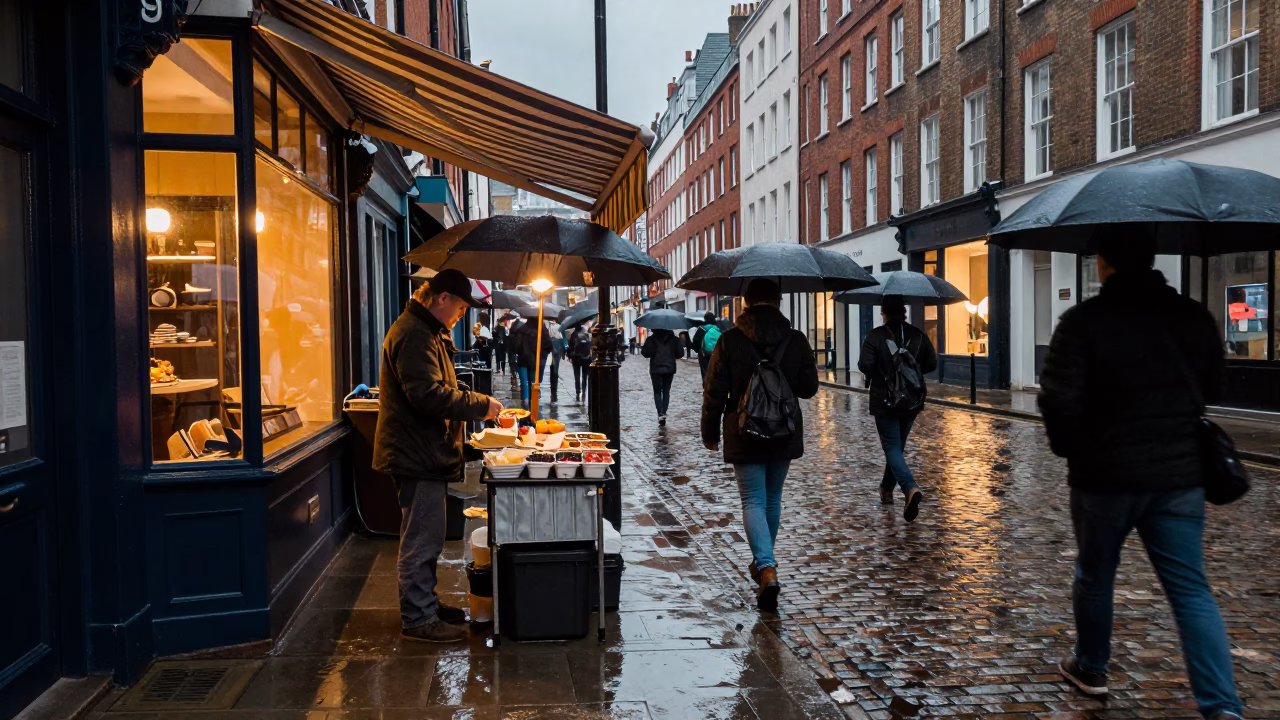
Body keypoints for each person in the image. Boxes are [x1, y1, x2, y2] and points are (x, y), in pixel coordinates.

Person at [1038, 233, 1242, 720]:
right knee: (1191, 590)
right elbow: (1215, 385)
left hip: (1104, 477)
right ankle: (1223, 708)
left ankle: (1090, 668)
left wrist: (1074, 449)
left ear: (1105, 264)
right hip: (1179, 475)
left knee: (1095, 575)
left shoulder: (1083, 322)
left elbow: (1059, 403)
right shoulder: (1194, 317)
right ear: (1152, 261)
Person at [373, 269, 502, 643]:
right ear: (441, 298)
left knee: (425, 534)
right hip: (416, 453)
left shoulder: (427, 331)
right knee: (421, 538)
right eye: (460, 308)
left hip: (422, 450)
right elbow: (427, 395)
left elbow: (438, 384)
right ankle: (418, 619)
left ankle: (426, 604)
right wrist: (480, 405)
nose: (461, 316)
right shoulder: (415, 334)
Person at [701, 278, 818, 613]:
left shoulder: (729, 340)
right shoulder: (795, 339)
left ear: (746, 303)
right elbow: (809, 388)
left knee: (753, 498)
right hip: (783, 429)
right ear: (778, 302)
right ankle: (765, 565)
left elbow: (714, 392)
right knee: (772, 498)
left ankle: (766, 567)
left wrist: (710, 433)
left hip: (744, 429)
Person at [857, 295, 938, 521]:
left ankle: (909, 488)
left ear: (883, 313)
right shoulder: (918, 335)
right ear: (903, 312)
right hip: (911, 400)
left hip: (885, 400)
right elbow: (931, 363)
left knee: (892, 448)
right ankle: (886, 489)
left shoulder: (875, 336)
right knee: (896, 448)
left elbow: (865, 365)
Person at [640, 327, 683, 425]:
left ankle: (660, 413)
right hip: (669, 368)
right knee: (666, 390)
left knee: (657, 391)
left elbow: (645, 353)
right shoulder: (674, 339)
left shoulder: (651, 339)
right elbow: (680, 354)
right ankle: (663, 412)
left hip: (656, 368)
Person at [510, 316, 551, 408]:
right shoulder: (542, 330)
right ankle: (533, 404)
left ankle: (525, 403)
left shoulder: (522, 329)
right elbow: (549, 346)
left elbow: (516, 346)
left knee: (524, 382)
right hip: (535, 361)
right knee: (533, 382)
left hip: (523, 360)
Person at [691, 311, 721, 379]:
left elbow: (696, 342)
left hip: (704, 355)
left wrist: (696, 349)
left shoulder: (702, 329)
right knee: (716, 373)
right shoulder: (718, 329)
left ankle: (706, 387)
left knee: (705, 374)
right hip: (717, 354)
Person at [568, 324, 592, 403]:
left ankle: (578, 392)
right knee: (585, 375)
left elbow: (570, 347)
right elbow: (590, 345)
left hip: (576, 357)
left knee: (577, 376)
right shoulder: (586, 334)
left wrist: (569, 356)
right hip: (585, 358)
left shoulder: (573, 334)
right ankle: (584, 390)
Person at [548, 320, 564, 404]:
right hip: (558, 343)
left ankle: (553, 385)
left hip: (553, 342)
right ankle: (554, 386)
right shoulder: (559, 326)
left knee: (553, 365)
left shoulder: (550, 326)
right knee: (555, 366)